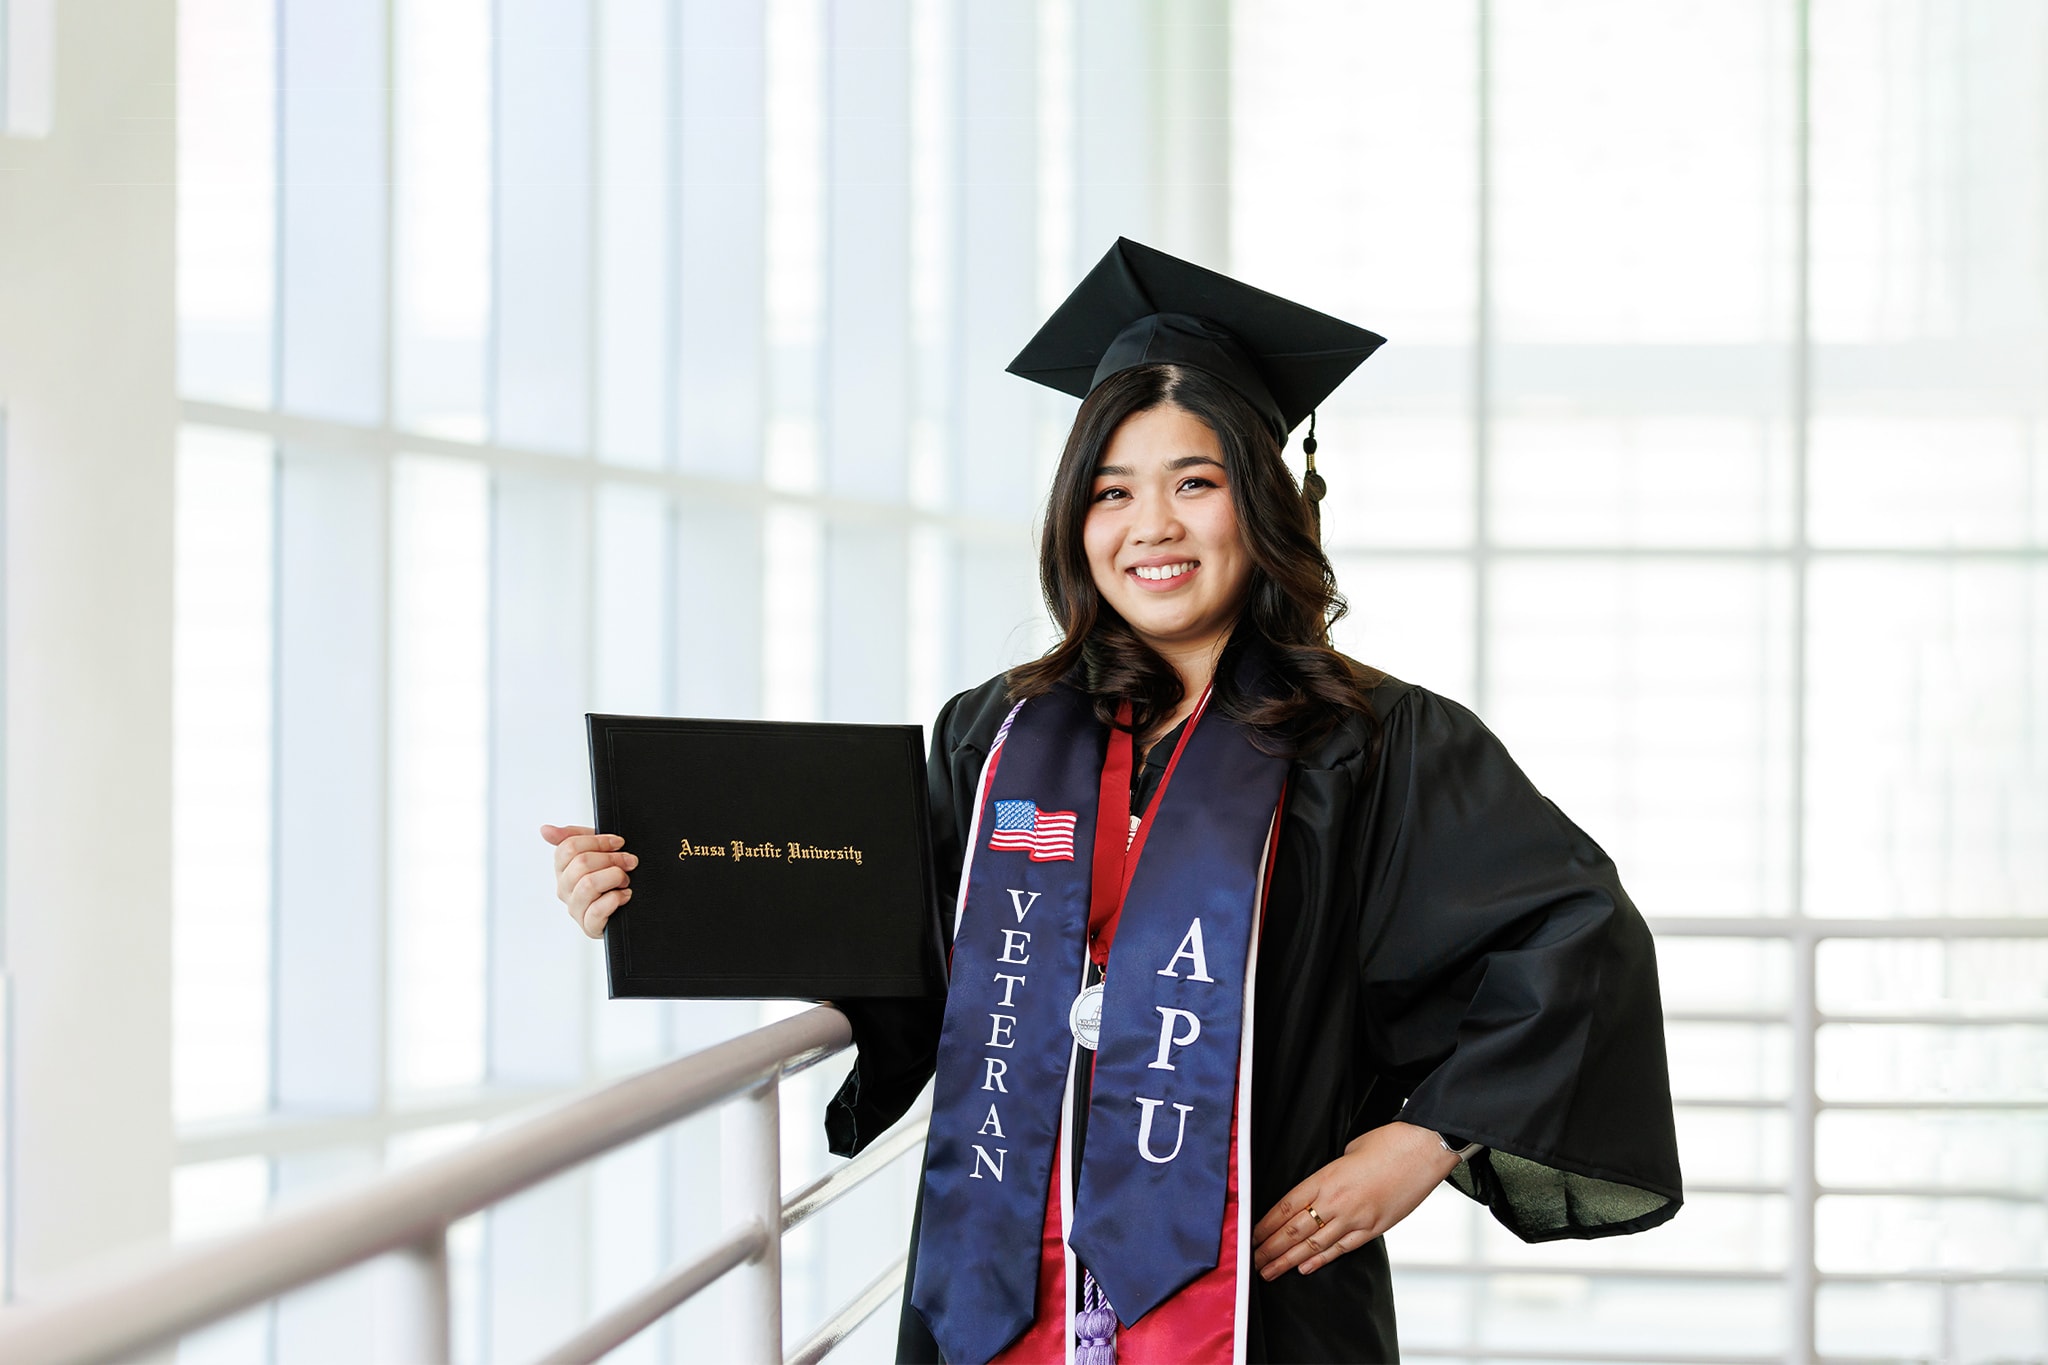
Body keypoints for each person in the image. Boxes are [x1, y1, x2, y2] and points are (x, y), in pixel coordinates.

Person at [548, 239, 1682, 1364]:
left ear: (1264, 503)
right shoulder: (993, 734)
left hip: (1258, 1287)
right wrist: (654, 886)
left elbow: (1571, 935)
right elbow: (901, 955)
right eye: (1111, 491)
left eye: (1194, 483)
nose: (1151, 527)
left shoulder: (1373, 743)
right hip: (998, 1275)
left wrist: (1419, 1142)